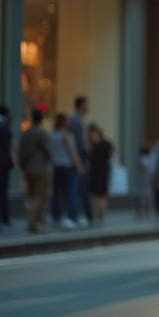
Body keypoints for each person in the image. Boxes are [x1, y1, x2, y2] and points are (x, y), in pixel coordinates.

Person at [17, 108, 52, 233]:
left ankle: (34, 222)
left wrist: (22, 165)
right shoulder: (42, 133)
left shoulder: (25, 133)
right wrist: (50, 160)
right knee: (39, 196)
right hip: (40, 168)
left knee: (31, 196)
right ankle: (33, 223)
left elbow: (21, 151)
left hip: (28, 168)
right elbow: (47, 150)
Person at [49, 113, 86, 230]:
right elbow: (72, 151)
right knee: (71, 192)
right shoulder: (68, 135)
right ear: (64, 123)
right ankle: (72, 217)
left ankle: (56, 215)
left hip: (57, 166)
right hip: (68, 167)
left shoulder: (53, 135)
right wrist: (79, 165)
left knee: (57, 193)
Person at [69, 96, 93, 226]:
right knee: (76, 188)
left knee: (80, 188)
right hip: (78, 158)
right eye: (86, 104)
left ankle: (83, 215)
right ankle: (75, 216)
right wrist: (80, 160)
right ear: (81, 105)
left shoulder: (78, 120)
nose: (88, 106)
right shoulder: (75, 120)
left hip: (80, 158)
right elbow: (78, 143)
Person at [86, 124, 114, 226]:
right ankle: (97, 215)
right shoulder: (91, 145)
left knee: (102, 194)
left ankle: (101, 215)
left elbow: (111, 155)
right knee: (95, 194)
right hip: (95, 172)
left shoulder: (105, 145)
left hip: (102, 172)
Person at [0, 105, 13, 230]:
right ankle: (5, 219)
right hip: (3, 164)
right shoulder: (4, 127)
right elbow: (10, 147)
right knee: (3, 192)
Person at [137, 140, 156, 219]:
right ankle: (144, 209)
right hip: (145, 177)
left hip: (148, 177)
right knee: (145, 194)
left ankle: (148, 209)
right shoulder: (143, 157)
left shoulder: (151, 155)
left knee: (148, 194)